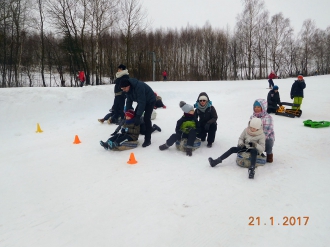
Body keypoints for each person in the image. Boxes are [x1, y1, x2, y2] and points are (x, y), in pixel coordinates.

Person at [120, 78, 156, 147]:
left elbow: (142, 102)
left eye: (124, 88)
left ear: (128, 86)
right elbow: (129, 101)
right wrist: (127, 112)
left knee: (146, 118)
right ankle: (137, 132)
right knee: (135, 116)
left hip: (150, 100)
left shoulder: (139, 87)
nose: (123, 90)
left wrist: (138, 116)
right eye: (122, 89)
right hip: (142, 101)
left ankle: (147, 140)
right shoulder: (128, 91)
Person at [250, 99, 275, 163]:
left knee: (268, 144)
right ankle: (254, 153)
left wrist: (259, 139)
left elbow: (267, 130)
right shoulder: (253, 116)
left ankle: (269, 155)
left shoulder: (268, 117)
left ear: (263, 108)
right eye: (255, 107)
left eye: (258, 107)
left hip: (267, 136)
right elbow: (250, 126)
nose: (256, 109)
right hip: (255, 135)